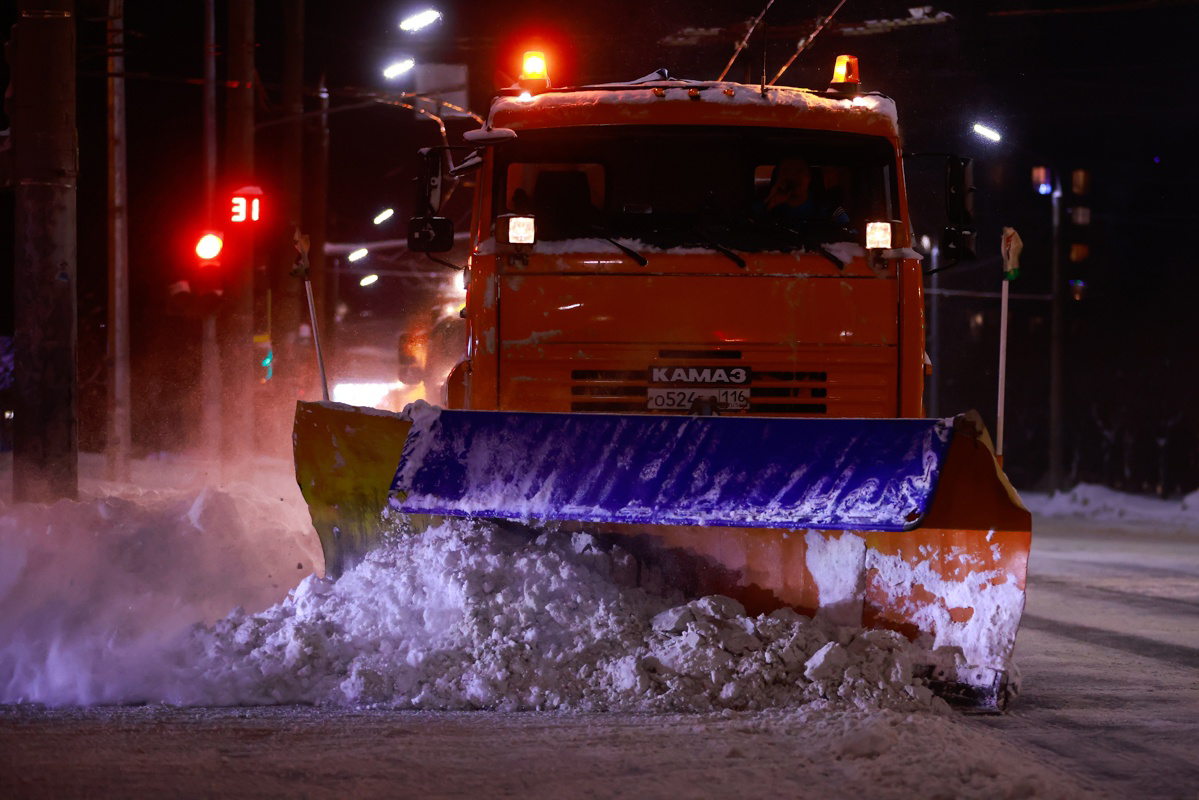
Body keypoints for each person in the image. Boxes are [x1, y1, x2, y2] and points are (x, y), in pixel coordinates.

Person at [756, 156, 851, 227]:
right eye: (786, 171)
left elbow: (852, 239)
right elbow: (743, 231)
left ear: (809, 177)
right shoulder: (764, 207)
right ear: (777, 177)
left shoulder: (831, 212)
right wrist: (769, 204)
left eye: (799, 171)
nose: (793, 176)